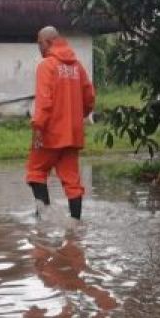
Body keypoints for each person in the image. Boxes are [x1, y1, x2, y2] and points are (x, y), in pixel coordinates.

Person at [26, 26, 95, 220]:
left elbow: (44, 101)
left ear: (48, 43)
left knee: (35, 172)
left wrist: (38, 127)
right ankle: (75, 224)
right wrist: (79, 115)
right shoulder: (77, 66)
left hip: (50, 133)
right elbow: (89, 97)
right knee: (72, 181)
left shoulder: (46, 65)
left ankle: (44, 217)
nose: (38, 48)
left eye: (39, 43)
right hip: (72, 134)